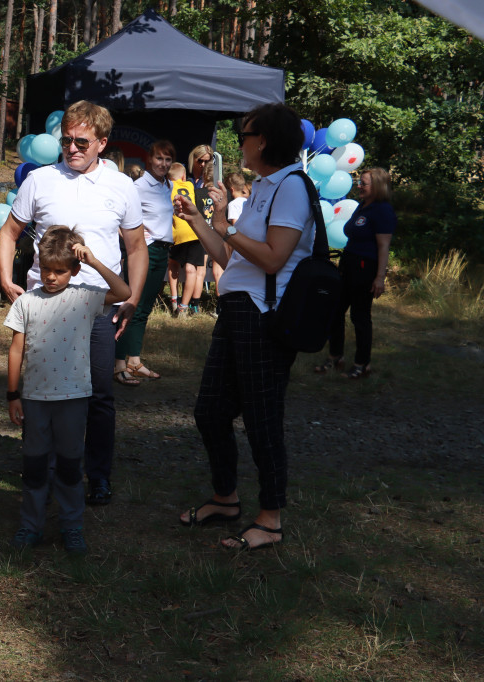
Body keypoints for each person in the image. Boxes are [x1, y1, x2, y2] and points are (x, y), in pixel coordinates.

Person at [173, 103, 314, 551]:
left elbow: (273, 257)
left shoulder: (291, 187)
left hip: (263, 319)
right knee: (210, 412)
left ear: (265, 140)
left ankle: (270, 519)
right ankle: (226, 499)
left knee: (261, 419)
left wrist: (228, 228)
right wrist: (201, 222)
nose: (240, 141)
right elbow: (232, 258)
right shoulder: (262, 187)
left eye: (247, 133)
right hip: (238, 312)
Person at [0, 100, 146, 507]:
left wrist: (131, 298)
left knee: (98, 394)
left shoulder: (122, 186)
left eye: (82, 141)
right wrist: (6, 278)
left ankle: (97, 476)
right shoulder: (40, 180)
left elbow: (136, 247)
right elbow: (10, 232)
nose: (72, 148)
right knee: (41, 391)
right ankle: (38, 472)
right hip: (44, 305)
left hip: (98, 306)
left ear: (102, 142)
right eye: (66, 140)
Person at [5, 227, 130, 554]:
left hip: (73, 400)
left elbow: (123, 290)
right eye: (46, 269)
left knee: (71, 467)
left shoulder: (85, 297)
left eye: (60, 271)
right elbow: (15, 349)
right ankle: (30, 526)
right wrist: (12, 394)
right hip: (34, 400)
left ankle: (72, 528)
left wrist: (95, 261)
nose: (51, 277)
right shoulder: (26, 302)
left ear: (74, 270)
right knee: (33, 467)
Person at [315, 167, 396, 379]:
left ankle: (362, 364)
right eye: (360, 182)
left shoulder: (383, 211)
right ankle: (336, 357)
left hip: (365, 267)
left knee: (359, 316)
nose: (358, 186)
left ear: (377, 186)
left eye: (364, 183)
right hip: (348, 263)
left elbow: (383, 247)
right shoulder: (363, 206)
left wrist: (379, 277)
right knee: (335, 310)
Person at [113, 139, 175, 382]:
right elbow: (119, 216)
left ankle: (134, 361)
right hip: (145, 251)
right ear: (149, 159)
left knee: (144, 310)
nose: (163, 163)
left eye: (168, 159)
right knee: (130, 306)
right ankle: (119, 364)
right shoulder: (138, 186)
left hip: (163, 251)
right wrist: (135, 240)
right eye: (159, 158)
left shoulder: (167, 185)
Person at [167, 162, 205, 317]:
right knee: (191, 270)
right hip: (194, 232)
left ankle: (174, 299)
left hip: (177, 233)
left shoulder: (168, 187)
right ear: (183, 176)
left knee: (172, 265)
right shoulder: (189, 185)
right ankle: (184, 307)